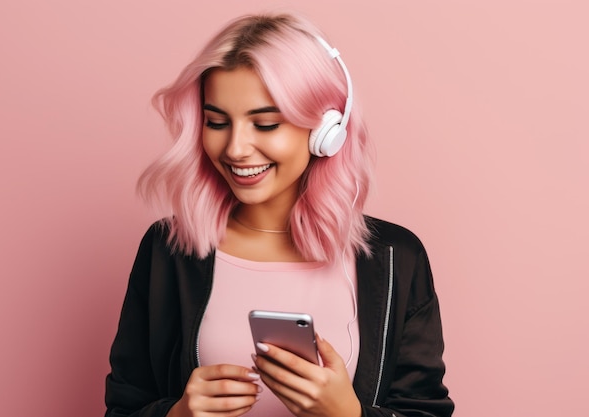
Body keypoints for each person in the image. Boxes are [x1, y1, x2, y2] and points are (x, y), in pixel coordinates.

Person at [105, 12, 454, 417]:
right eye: (216, 122)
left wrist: (348, 415)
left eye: (266, 124)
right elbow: (123, 407)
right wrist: (176, 414)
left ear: (326, 131)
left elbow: (427, 411)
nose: (235, 148)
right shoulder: (169, 249)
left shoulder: (396, 258)